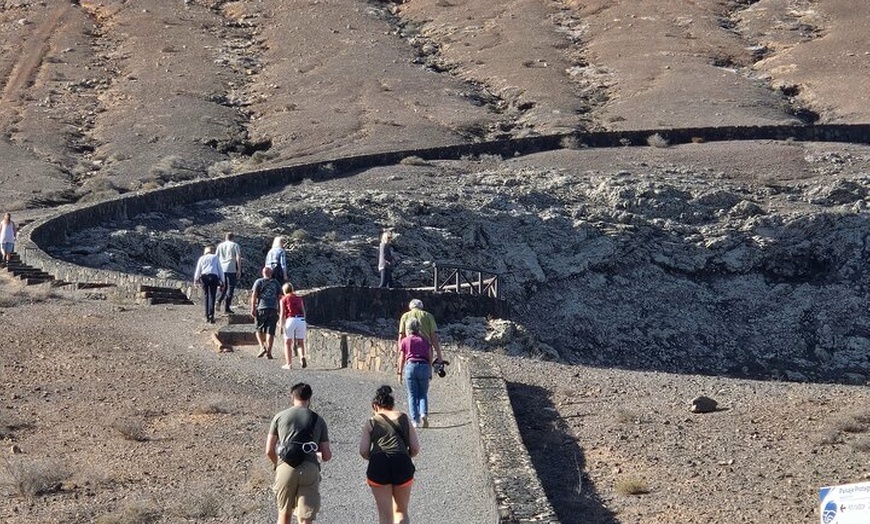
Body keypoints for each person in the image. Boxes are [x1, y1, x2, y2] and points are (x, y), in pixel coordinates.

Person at [266, 382, 332, 524]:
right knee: (305, 517)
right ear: (309, 398)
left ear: (292, 397)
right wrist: (317, 455)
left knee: (284, 514)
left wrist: (277, 465)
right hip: (309, 469)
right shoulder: (318, 420)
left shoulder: (280, 417)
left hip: (285, 467)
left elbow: (269, 450)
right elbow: (326, 455)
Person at [358, 385, 419, 524]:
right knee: (401, 511)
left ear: (375, 406)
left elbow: (363, 451)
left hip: (379, 464)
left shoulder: (371, 422)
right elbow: (415, 448)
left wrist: (372, 457)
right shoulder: (404, 418)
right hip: (402, 462)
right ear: (392, 404)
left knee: (385, 516)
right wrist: (405, 455)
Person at [397, 318, 432, 429]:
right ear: (418, 328)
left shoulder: (405, 341)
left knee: (412, 395)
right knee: (423, 394)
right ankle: (423, 414)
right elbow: (430, 356)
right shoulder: (424, 341)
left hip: (410, 366)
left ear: (408, 328)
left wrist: (399, 373)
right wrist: (430, 370)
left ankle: (415, 420)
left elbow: (402, 358)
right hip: (424, 366)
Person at [397, 299, 444, 364]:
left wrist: (400, 351)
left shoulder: (405, 316)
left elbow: (401, 336)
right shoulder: (428, 316)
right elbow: (433, 337)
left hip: (410, 347)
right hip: (425, 347)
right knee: (426, 369)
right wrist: (439, 356)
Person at [251, 266, 281, 359]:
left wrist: (253, 308)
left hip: (261, 308)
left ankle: (262, 346)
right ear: (271, 274)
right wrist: (279, 308)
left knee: (258, 329)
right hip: (273, 309)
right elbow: (279, 296)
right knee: (270, 331)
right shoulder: (275, 282)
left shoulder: (259, 282)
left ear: (263, 273)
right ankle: (269, 352)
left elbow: (254, 296)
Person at [279, 282, 307, 370]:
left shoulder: (283, 299)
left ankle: (289, 363)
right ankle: (302, 356)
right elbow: (303, 311)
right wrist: (304, 321)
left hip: (290, 319)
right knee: (300, 341)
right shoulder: (299, 299)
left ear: (284, 290)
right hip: (301, 319)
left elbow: (282, 314)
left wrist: (281, 325)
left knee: (287, 342)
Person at [193, 245, 224, 324]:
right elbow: (220, 269)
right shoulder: (215, 257)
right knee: (212, 296)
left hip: (204, 277)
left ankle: (206, 316)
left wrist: (196, 280)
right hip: (214, 277)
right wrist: (222, 281)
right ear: (212, 251)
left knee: (206, 296)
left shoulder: (201, 258)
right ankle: (211, 316)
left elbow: (198, 269)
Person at [216, 232, 242, 314]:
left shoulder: (220, 246)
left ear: (225, 237)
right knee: (230, 288)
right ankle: (227, 307)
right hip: (231, 268)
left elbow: (216, 257)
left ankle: (219, 300)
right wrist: (239, 269)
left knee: (224, 286)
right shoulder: (235, 245)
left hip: (222, 268)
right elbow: (238, 257)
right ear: (233, 237)